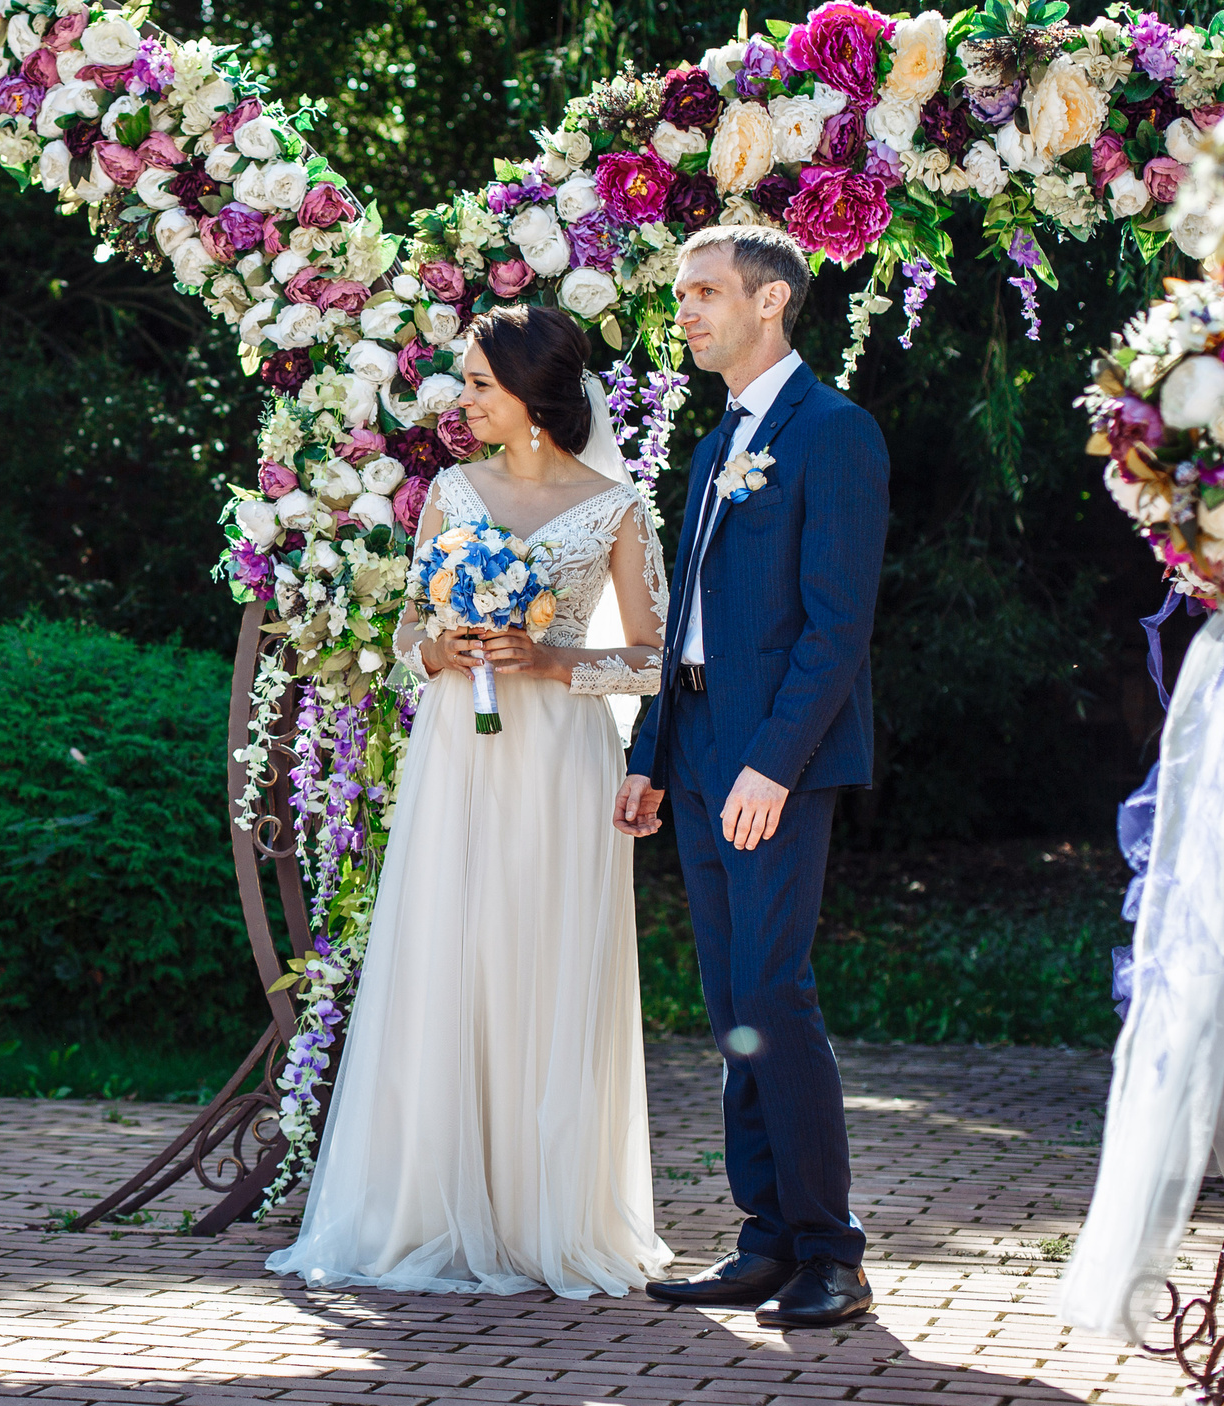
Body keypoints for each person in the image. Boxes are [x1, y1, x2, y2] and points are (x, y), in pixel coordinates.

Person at [267, 303, 673, 1297]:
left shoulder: (616, 508)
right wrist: (437, 649)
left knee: (546, 958)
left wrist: (550, 659)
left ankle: (548, 1215)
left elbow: (654, 662)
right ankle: (433, 1203)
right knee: (453, 953)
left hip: (561, 762)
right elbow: (410, 631)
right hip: (459, 755)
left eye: (480, 383)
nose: (461, 398)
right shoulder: (451, 490)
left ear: (534, 395)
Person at [614, 224, 888, 1330]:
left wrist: (772, 763)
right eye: (681, 293)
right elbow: (683, 618)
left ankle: (832, 1248)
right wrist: (649, 756)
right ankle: (765, 1236)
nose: (683, 310)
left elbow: (836, 627)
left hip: (776, 753)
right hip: (694, 745)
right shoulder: (715, 437)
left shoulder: (835, 433)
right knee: (733, 1002)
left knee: (774, 991)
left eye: (703, 292)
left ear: (769, 301)